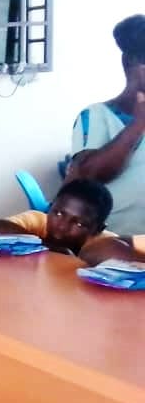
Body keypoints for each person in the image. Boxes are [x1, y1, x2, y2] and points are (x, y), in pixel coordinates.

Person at [68, 14, 145, 236]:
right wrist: (138, 124)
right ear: (129, 62)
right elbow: (89, 174)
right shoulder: (96, 116)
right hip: (110, 243)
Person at [0, 179, 114, 256]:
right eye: (58, 214)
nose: (62, 226)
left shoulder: (106, 244)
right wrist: (54, 249)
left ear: (98, 229)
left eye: (78, 224)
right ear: (51, 206)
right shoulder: (39, 221)